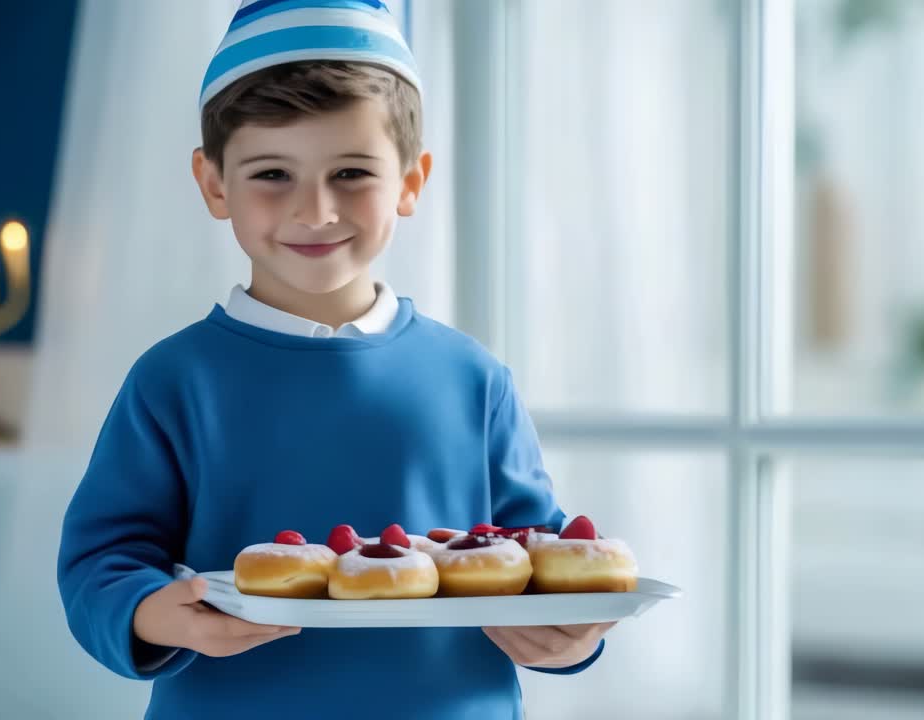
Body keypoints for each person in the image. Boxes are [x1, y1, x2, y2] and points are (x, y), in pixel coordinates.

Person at [58, 2, 614, 717]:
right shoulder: (173, 382)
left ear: (411, 181)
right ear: (214, 183)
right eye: (272, 175)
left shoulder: (473, 379)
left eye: (352, 172)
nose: (316, 210)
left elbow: (542, 557)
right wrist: (152, 614)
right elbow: (99, 562)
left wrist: (572, 640)